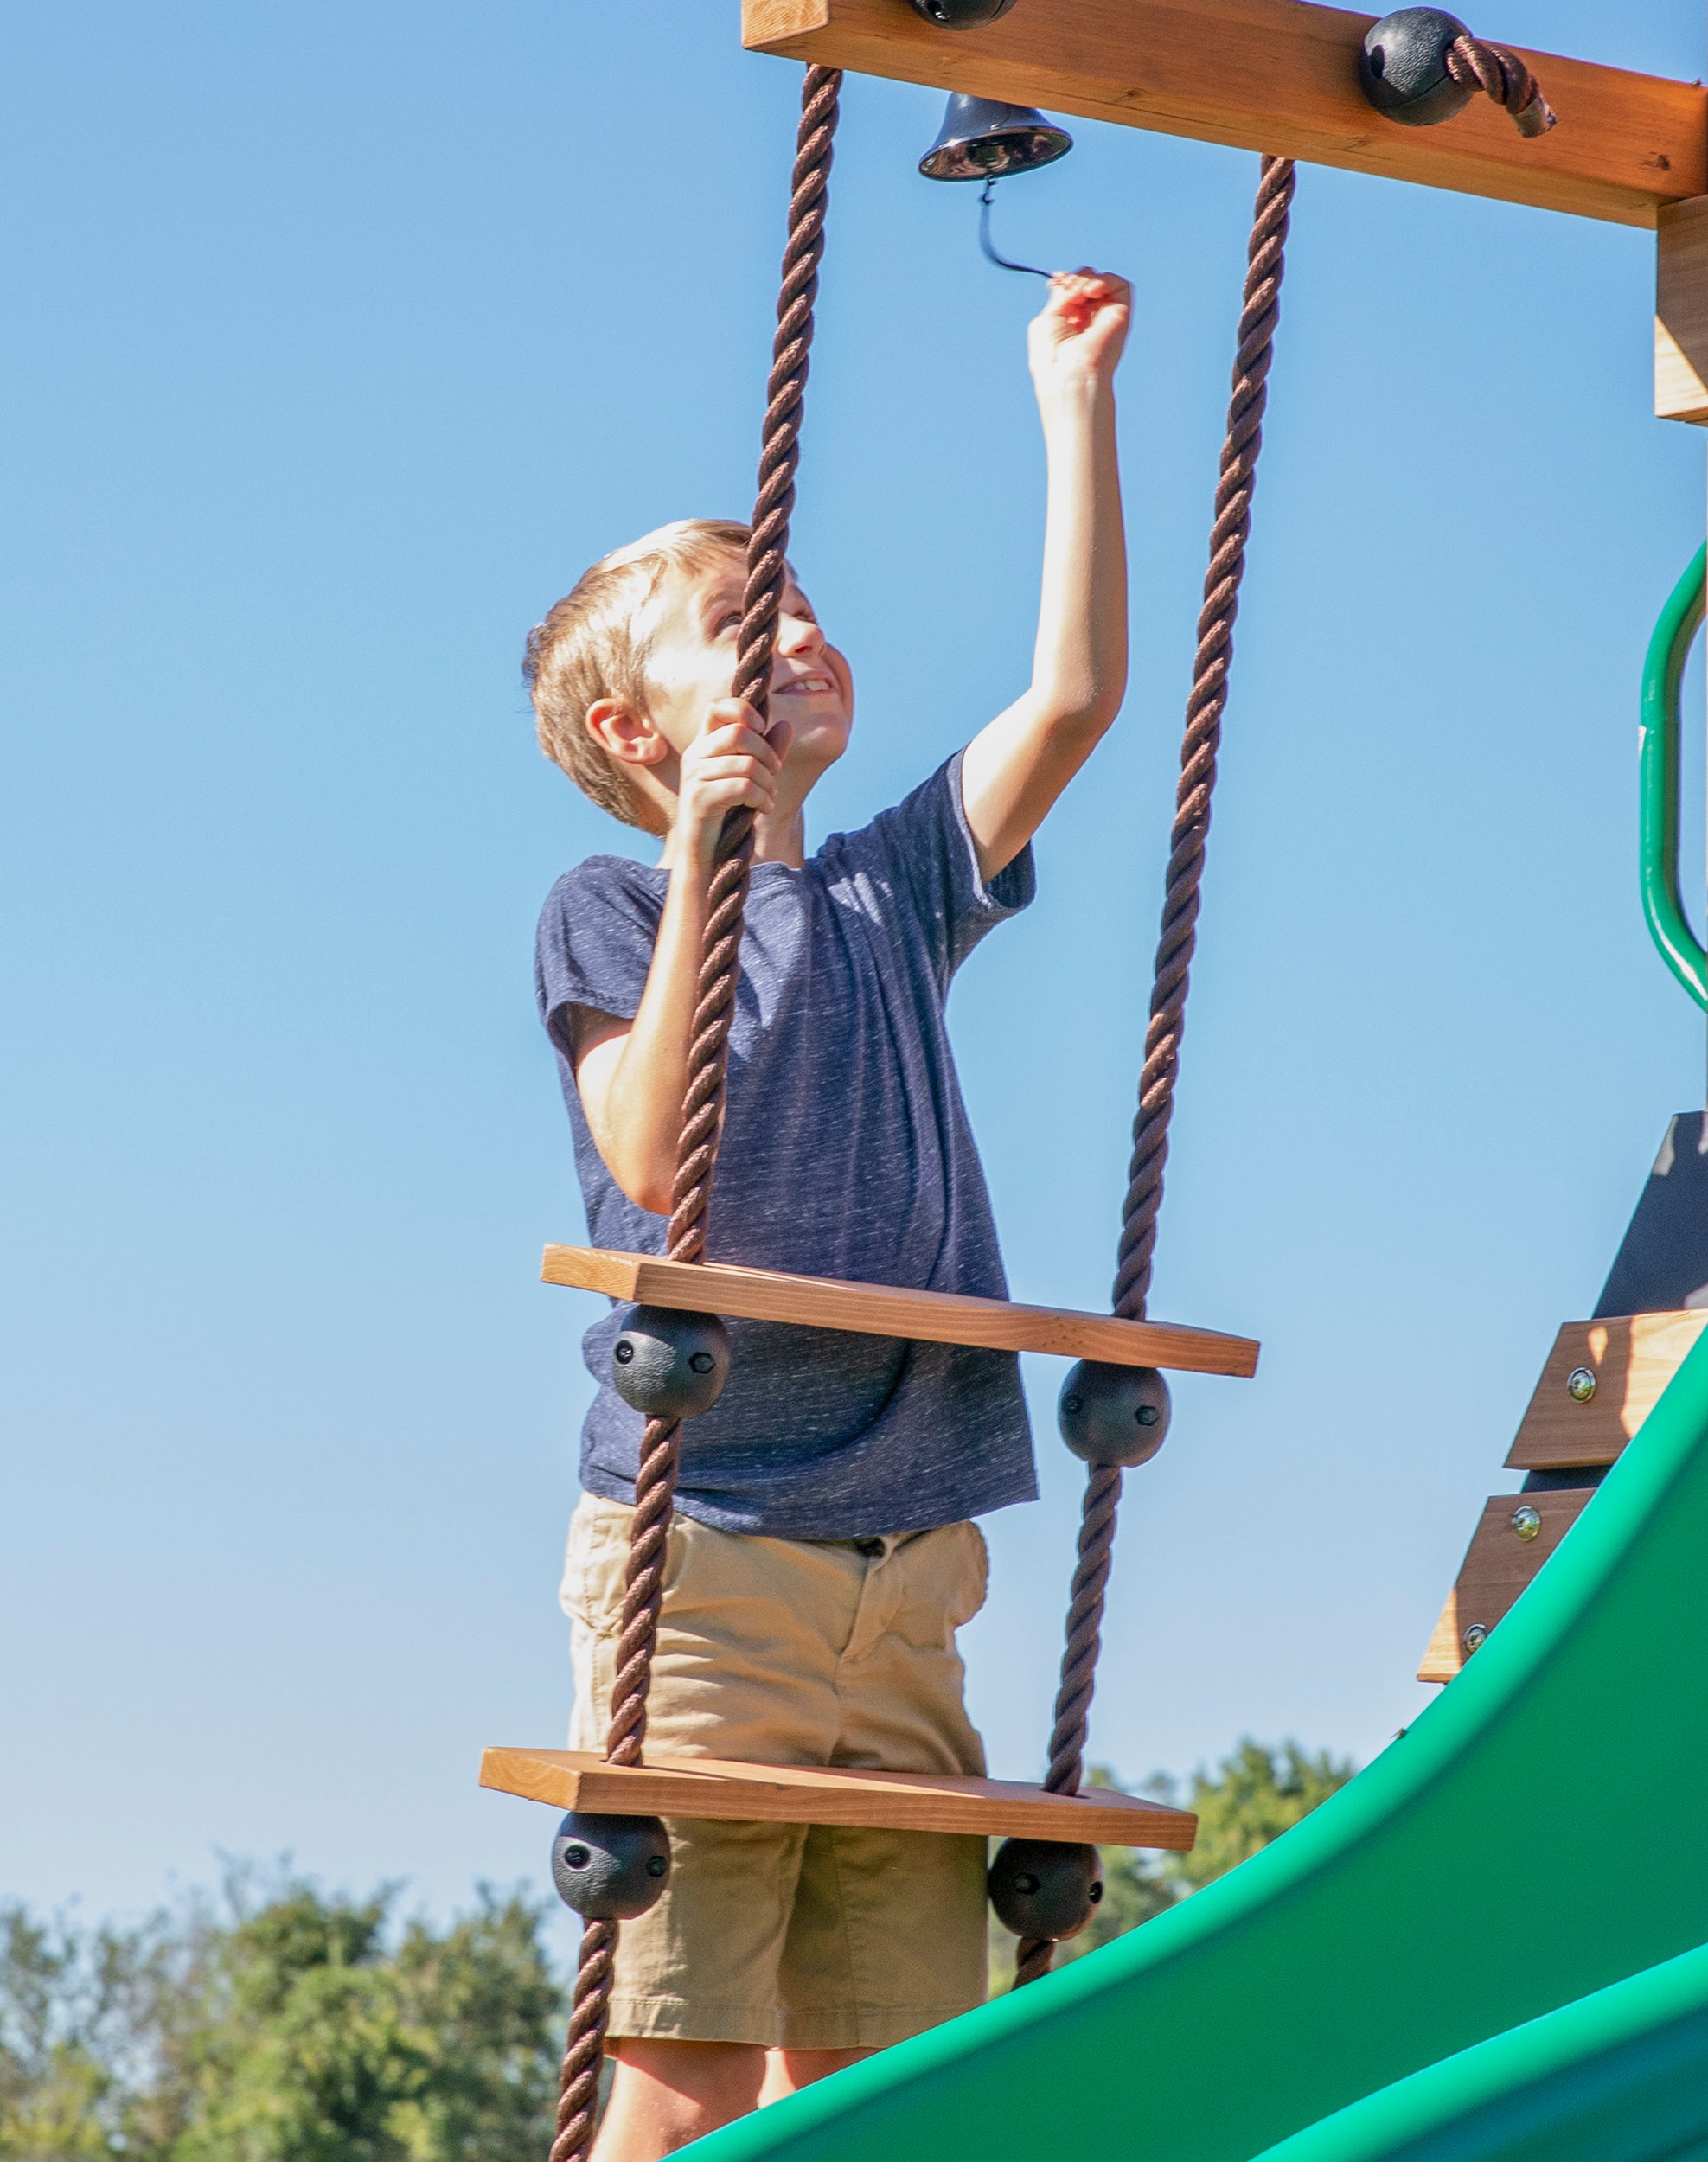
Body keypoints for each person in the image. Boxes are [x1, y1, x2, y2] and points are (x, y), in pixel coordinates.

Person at [524, 266, 1131, 2162]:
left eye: (796, 600)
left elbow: (1078, 696)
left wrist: (1071, 408)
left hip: (910, 1566)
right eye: (738, 620)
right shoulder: (611, 907)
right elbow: (646, 1151)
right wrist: (708, 838)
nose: (793, 630)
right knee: (687, 2066)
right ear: (640, 731)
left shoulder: (891, 891)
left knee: (874, 2086)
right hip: (703, 1557)